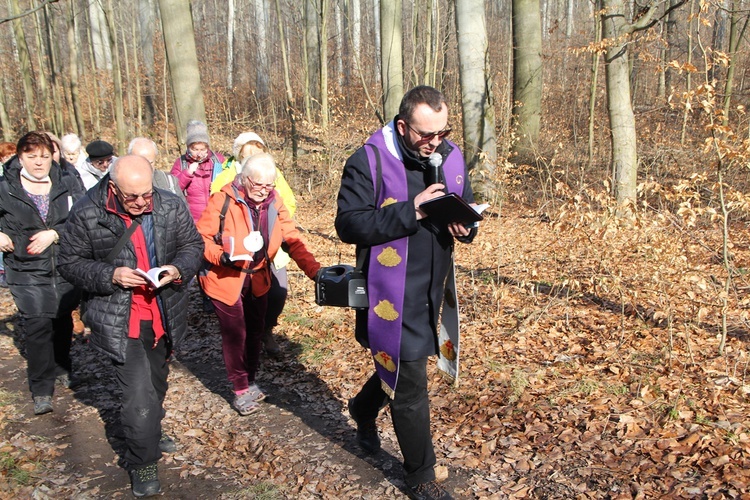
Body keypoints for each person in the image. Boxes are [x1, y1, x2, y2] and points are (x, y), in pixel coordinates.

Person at [335, 86, 477, 500]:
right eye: (424, 134)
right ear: (402, 126)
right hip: (389, 294)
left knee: (403, 365)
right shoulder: (369, 160)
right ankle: (421, 476)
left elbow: (464, 204)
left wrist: (467, 227)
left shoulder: (450, 157)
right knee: (411, 381)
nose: (435, 142)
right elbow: (349, 224)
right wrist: (411, 209)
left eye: (442, 131)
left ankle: (362, 408)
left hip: (433, 288)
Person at [57, 155, 203, 498]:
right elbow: (69, 263)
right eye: (131, 197)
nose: (140, 203)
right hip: (121, 318)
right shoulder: (86, 211)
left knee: (156, 386)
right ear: (112, 188)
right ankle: (143, 461)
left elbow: (193, 246)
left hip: (163, 314)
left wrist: (178, 269)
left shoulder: (168, 205)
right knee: (138, 397)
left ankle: (150, 430)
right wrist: (110, 275)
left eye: (146, 195)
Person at [196, 153, 320, 416]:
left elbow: (293, 240)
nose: (264, 191)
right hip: (224, 279)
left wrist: (315, 271)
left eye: (269, 185)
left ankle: (250, 379)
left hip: (258, 277)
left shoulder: (275, 201)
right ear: (243, 179)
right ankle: (240, 388)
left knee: (255, 330)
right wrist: (221, 256)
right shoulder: (222, 200)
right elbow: (200, 239)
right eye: (258, 185)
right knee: (236, 333)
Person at [0, 132, 84, 415]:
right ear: (20, 157)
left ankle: (61, 366)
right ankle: (41, 389)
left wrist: (55, 234)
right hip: (25, 268)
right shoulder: (5, 186)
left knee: (61, 320)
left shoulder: (67, 181)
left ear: (52, 156)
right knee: (37, 325)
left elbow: (83, 219)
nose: (38, 163)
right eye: (32, 156)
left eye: (44, 156)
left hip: (64, 265)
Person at [211, 132, 297, 357]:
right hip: (237, 254)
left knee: (278, 293)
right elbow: (215, 210)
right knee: (241, 298)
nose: (252, 157)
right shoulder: (226, 176)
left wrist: (276, 220)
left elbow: (287, 201)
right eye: (247, 153)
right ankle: (243, 343)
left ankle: (266, 331)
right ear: (239, 155)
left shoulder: (273, 174)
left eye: (257, 151)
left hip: (271, 249)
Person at [170, 119, 225, 223]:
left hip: (218, 217)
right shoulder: (181, 163)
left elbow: (231, 184)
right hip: (193, 220)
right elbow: (173, 189)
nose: (199, 154)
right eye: (195, 149)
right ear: (188, 147)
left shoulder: (218, 160)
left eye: (203, 149)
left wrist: (220, 184)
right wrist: (187, 173)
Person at [128, 137, 187, 205]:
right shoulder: (121, 183)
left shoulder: (169, 182)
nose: (145, 168)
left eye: (150, 163)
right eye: (140, 163)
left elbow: (183, 211)